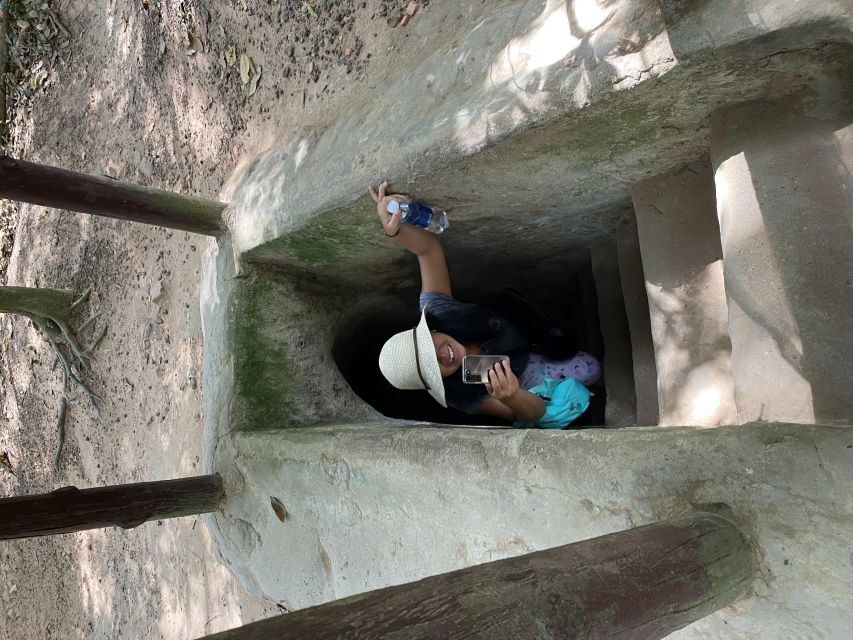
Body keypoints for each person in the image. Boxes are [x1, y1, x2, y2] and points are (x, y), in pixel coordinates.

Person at [369, 181, 601, 426]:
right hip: (523, 377)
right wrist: (511, 395)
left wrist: (394, 229)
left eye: (429, 347)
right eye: (433, 368)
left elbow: (428, 250)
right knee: (591, 369)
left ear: (427, 331)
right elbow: (528, 415)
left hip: (525, 330)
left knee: (568, 348)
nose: (442, 356)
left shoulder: (439, 313)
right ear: (435, 381)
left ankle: (552, 338)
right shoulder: (458, 392)